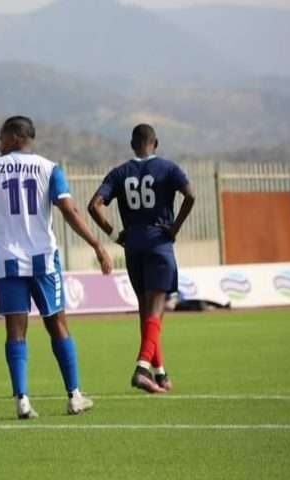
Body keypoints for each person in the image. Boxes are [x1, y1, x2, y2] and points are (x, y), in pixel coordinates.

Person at [0, 115, 112, 419]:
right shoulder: (49, 168)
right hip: (43, 259)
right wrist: (97, 245)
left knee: (15, 331)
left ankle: (22, 400)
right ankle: (75, 395)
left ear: (13, 137)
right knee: (57, 325)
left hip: (8, 260)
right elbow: (69, 210)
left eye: (1, 137)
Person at [87, 124, 195, 394]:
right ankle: (142, 368)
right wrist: (174, 228)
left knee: (146, 312)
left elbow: (94, 205)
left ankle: (159, 372)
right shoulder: (169, 169)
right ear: (155, 143)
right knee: (156, 310)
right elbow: (190, 196)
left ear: (132, 144)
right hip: (159, 245)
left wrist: (114, 235)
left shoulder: (120, 173)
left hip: (133, 246)